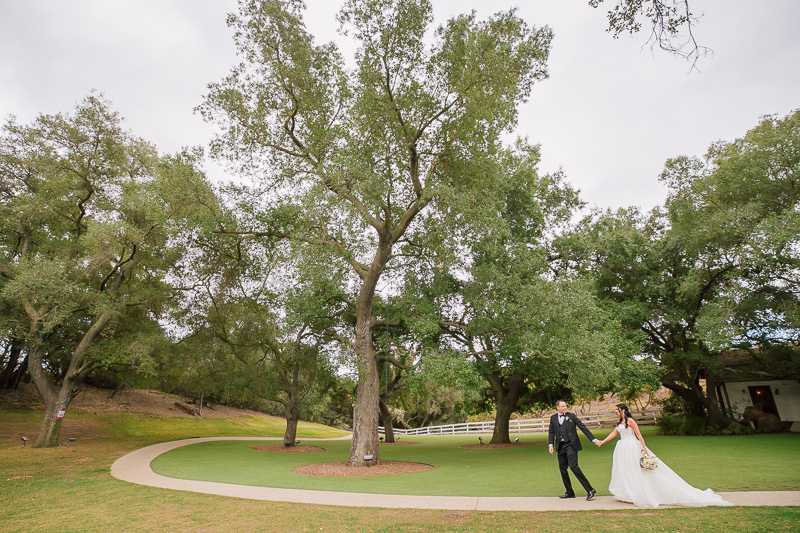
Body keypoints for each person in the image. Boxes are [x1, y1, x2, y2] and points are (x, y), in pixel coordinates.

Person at [597, 403, 733, 508]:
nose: (615, 411)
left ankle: (639, 493)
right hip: (622, 447)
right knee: (625, 470)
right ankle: (627, 492)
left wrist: (644, 449)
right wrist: (602, 441)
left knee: (635, 469)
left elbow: (639, 435)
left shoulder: (630, 421)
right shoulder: (619, 423)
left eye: (617, 409)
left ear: (623, 410)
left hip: (632, 446)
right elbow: (614, 434)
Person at [548, 399, 601, 500]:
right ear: (557, 407)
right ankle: (569, 492)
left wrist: (594, 440)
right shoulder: (553, 418)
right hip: (560, 446)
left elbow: (583, 427)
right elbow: (551, 432)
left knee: (573, 466)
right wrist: (550, 445)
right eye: (562, 406)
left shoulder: (571, 416)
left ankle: (590, 490)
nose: (565, 407)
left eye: (565, 406)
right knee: (563, 469)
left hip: (571, 445)